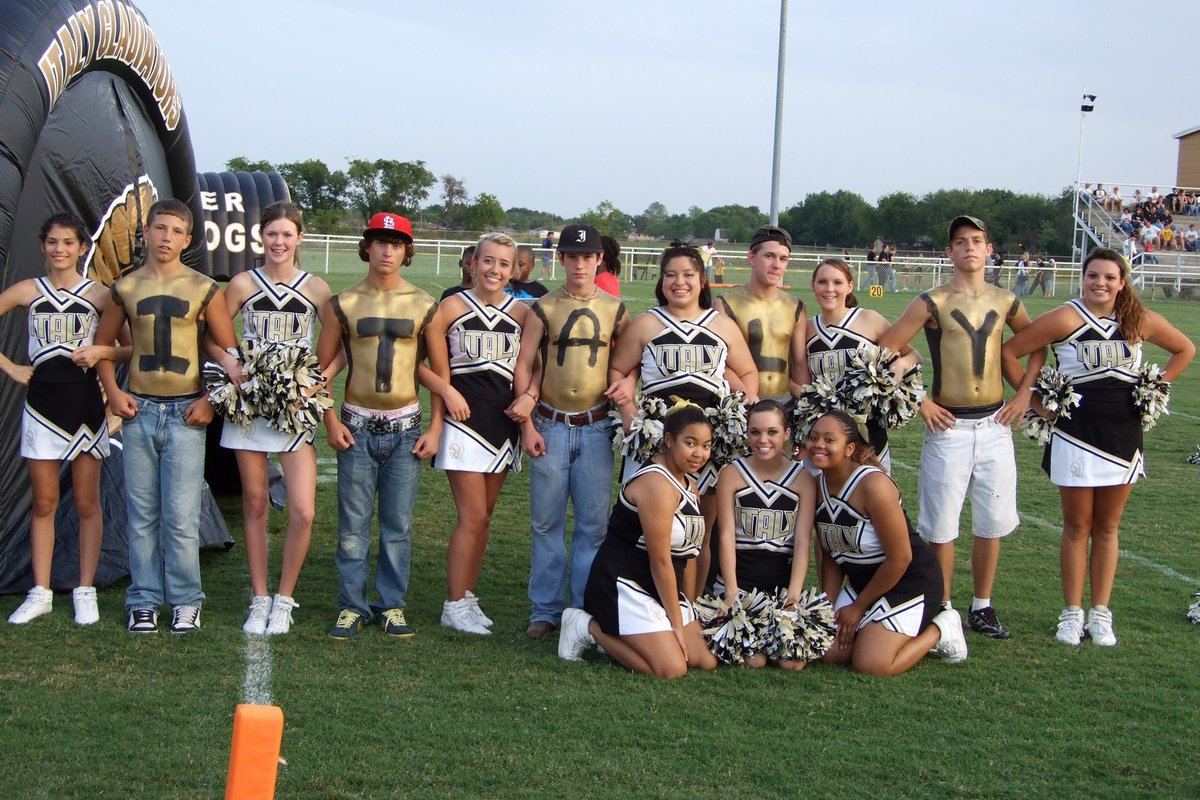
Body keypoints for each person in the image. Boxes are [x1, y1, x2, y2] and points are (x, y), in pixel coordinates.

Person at [1001, 248, 1194, 646]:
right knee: (1076, 526)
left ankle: (1101, 614)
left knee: (1107, 527)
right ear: (1082, 278)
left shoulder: (1136, 319)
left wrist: (1156, 388)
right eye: (1093, 276)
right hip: (1075, 433)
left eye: (1109, 277)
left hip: (1123, 436)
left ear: (1122, 282)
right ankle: (1071, 613)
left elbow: (1184, 349)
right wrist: (1036, 402)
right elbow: (1010, 351)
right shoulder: (1065, 317)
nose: (1100, 283)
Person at [879, 215, 1042, 641]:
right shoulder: (930, 300)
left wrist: (1025, 393)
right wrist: (920, 400)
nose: (969, 247)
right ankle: (944, 607)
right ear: (949, 252)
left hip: (995, 423)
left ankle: (983, 607)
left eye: (977, 241)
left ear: (989, 249)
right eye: (960, 242)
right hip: (948, 425)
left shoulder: (1007, 299)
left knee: (992, 520)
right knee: (942, 525)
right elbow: (885, 352)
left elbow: (1036, 346)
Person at [95, 198, 242, 634]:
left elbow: (228, 356)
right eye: (159, 229)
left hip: (185, 412)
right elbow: (104, 347)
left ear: (188, 239)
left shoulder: (204, 288)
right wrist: (114, 390)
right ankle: (143, 598)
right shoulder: (124, 287)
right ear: (146, 232)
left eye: (176, 231)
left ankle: (185, 599)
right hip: (139, 409)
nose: (166, 238)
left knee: (181, 515)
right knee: (141, 514)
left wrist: (210, 401)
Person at [609, 240, 759, 597]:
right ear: (661, 281)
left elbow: (748, 374)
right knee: (645, 528)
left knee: (700, 530)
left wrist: (739, 405)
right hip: (658, 440)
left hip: (708, 446)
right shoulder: (647, 322)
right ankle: (641, 598)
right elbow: (618, 369)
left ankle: (691, 603)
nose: (680, 282)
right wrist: (629, 411)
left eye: (688, 274)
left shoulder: (722, 325)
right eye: (671, 275)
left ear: (702, 280)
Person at [318, 212, 442, 640]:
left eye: (396, 243)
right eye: (379, 241)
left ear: (408, 251)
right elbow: (321, 374)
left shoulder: (426, 304)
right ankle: (351, 605)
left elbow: (438, 375)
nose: (387, 250)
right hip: (355, 425)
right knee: (352, 526)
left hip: (406, 428)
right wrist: (330, 420)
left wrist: (436, 428)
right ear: (366, 247)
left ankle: (391, 604)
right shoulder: (343, 302)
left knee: (397, 525)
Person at [1, 213, 122, 626]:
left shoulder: (100, 295)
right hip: (40, 408)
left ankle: (84, 590)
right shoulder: (27, 291)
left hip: (86, 408)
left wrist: (102, 353)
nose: (60, 250)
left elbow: (131, 347)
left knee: (88, 503)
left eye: (68, 243)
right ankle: (41, 592)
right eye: (52, 242)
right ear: (42, 245)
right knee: (44, 502)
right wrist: (11, 367)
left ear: (82, 248)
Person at [221, 202, 334, 635]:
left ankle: (285, 598)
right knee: (254, 503)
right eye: (271, 234)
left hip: (292, 408)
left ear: (299, 238)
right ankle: (259, 596)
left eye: (287, 234)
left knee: (303, 511)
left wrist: (317, 380)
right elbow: (213, 333)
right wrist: (232, 364)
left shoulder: (317, 288)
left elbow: (338, 344)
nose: (279, 242)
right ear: (261, 237)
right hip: (250, 406)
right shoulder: (242, 283)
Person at [512, 223, 629, 639]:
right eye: (572, 256)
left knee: (592, 527)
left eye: (588, 256)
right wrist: (526, 424)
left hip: (597, 427)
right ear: (560, 259)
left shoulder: (616, 308)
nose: (580, 264)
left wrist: (626, 388)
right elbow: (524, 364)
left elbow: (627, 364)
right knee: (545, 523)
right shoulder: (542, 307)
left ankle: (580, 611)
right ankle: (545, 608)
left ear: (600, 259)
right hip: (550, 424)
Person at [558, 404, 720, 678]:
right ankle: (587, 627)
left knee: (704, 659)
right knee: (671, 668)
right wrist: (677, 626)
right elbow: (659, 561)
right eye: (689, 443)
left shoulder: (691, 485)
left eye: (706, 446)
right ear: (669, 441)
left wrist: (687, 607)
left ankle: (631, 634)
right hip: (624, 584)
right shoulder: (656, 484)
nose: (699, 453)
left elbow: (688, 555)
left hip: (659, 586)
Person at [810, 410, 967, 675]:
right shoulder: (816, 485)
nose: (818, 445)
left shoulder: (873, 485)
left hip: (910, 582)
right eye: (813, 438)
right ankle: (874, 628)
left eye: (828, 439)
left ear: (849, 448)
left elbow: (900, 559)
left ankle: (942, 627)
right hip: (864, 582)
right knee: (828, 652)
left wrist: (858, 608)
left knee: (871, 663)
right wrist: (827, 605)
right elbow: (830, 555)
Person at [428, 233, 529, 635]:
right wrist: (447, 390)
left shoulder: (522, 313)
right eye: (488, 261)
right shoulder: (451, 306)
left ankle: (467, 596)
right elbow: (420, 364)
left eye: (504, 264)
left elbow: (530, 368)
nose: (495, 270)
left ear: (515, 269)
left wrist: (530, 403)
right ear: (473, 263)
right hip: (463, 420)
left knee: (485, 519)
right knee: (470, 517)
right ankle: (453, 604)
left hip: (503, 424)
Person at [715, 400, 816, 669]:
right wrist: (731, 592)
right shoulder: (731, 474)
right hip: (741, 582)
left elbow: (803, 541)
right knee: (754, 660)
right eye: (755, 432)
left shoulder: (804, 479)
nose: (763, 440)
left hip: (779, 586)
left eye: (772, 432)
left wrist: (793, 597)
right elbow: (725, 536)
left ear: (787, 434)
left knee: (791, 663)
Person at [797, 258, 920, 473]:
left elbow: (913, 354)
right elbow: (800, 380)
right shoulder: (806, 329)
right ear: (813, 286)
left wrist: (900, 365)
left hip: (869, 434)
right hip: (822, 438)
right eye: (822, 282)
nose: (830, 289)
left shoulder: (868, 319)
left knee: (873, 498)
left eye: (837, 282)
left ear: (850, 286)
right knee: (822, 502)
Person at [714, 225, 807, 404]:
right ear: (752, 258)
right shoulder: (725, 303)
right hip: (741, 401)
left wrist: (806, 404)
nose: (776, 265)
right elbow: (720, 363)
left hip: (784, 402)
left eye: (783, 259)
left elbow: (799, 364)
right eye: (769, 256)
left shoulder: (795, 306)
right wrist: (746, 396)